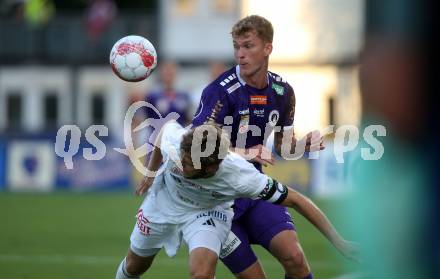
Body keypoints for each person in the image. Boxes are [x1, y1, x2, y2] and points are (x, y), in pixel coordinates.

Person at [115, 121, 357, 279]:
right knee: (135, 265)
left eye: (188, 165)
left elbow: (296, 199)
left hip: (207, 212)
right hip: (163, 204)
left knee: (201, 273)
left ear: (212, 169)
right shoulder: (179, 144)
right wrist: (149, 173)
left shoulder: (239, 176)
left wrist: (339, 241)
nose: (182, 165)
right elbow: (162, 132)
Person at [192, 15, 324, 279]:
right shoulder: (219, 91)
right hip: (216, 200)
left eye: (248, 46)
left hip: (254, 188)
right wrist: (245, 152)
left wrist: (302, 146)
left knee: (296, 258)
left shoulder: (282, 91)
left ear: (267, 48)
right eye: (236, 47)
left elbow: (283, 147)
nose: (240, 54)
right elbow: (197, 147)